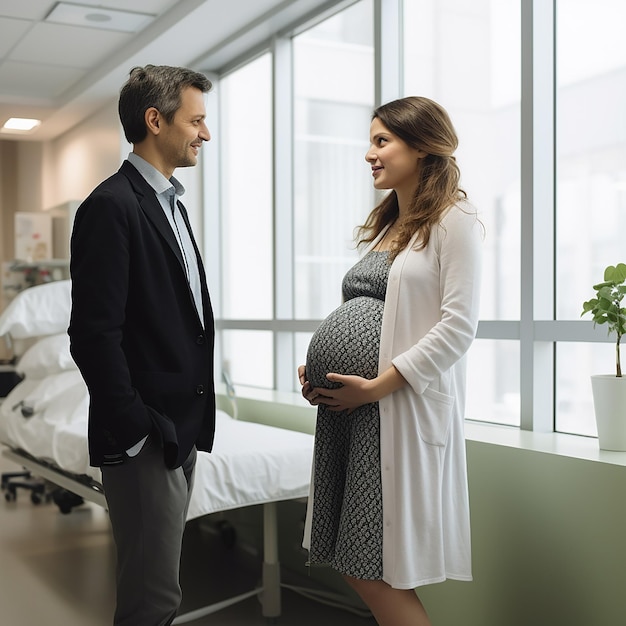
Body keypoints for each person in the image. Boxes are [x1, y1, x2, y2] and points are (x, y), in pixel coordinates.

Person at [298, 96, 483, 626]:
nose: (368, 154)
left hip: (392, 412)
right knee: (351, 554)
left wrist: (377, 386)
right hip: (352, 412)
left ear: (422, 148)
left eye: (382, 141)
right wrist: (321, 364)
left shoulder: (456, 219)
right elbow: (368, 310)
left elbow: (458, 325)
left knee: (370, 565)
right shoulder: (391, 224)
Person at [68, 65, 216, 626]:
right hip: (147, 436)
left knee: (162, 594)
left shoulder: (170, 204)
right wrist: (136, 430)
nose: (205, 134)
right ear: (155, 120)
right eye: (196, 121)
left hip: (179, 429)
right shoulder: (112, 205)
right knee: (151, 603)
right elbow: (93, 335)